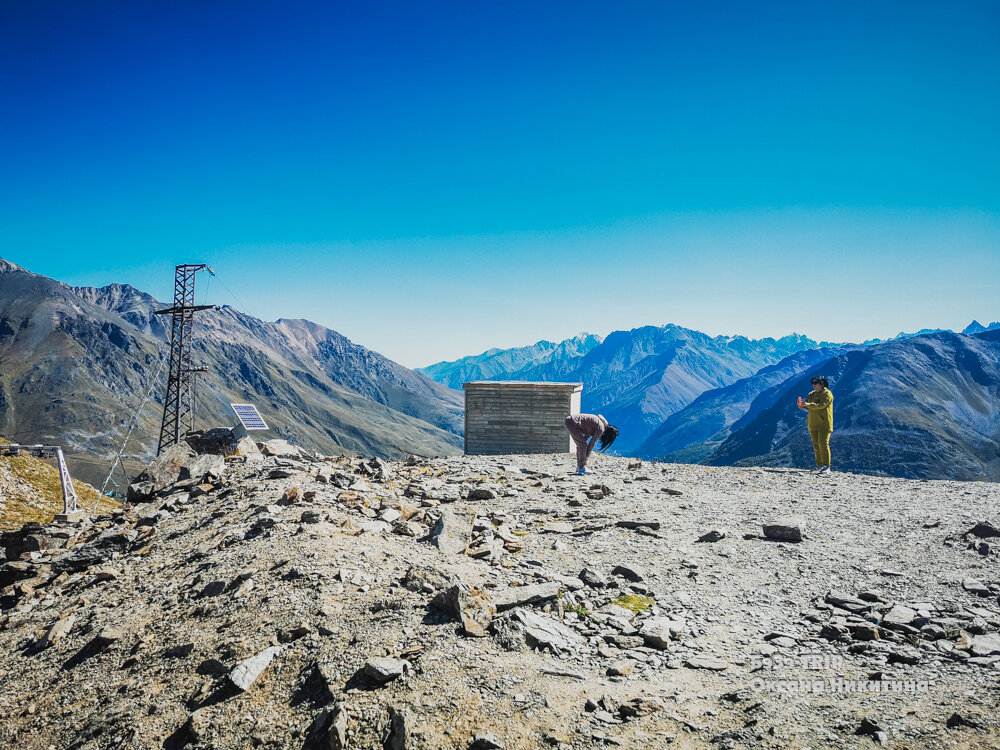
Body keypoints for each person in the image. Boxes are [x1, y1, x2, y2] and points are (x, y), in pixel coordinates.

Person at [797, 376, 833, 475]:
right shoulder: (811, 394)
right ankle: (819, 465)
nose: (813, 385)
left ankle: (827, 466)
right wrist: (801, 406)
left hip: (824, 424)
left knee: (823, 444)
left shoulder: (827, 394)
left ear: (821, 384)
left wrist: (808, 404)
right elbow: (807, 407)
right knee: (816, 445)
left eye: (815, 383)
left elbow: (821, 405)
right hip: (812, 423)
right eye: (813, 383)